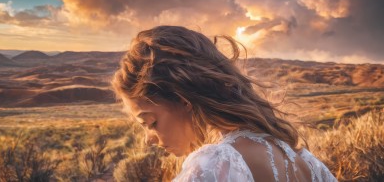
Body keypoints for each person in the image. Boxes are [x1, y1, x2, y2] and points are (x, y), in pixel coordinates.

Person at [112, 25, 337, 181]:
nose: (148, 140)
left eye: (151, 123)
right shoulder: (306, 164)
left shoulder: (217, 164)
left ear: (184, 101)